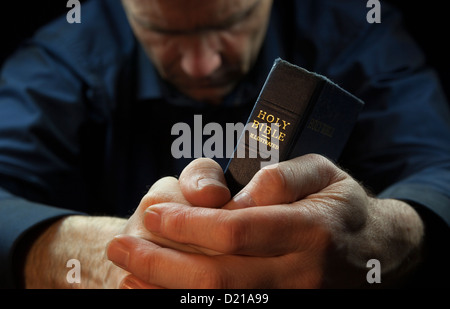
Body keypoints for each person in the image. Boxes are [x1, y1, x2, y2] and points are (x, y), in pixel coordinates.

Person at [0, 0, 449, 289]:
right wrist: (103, 254)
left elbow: (438, 167)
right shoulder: (65, 57)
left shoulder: (356, 30)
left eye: (233, 22)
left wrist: (383, 235)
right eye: (165, 32)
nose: (202, 64)